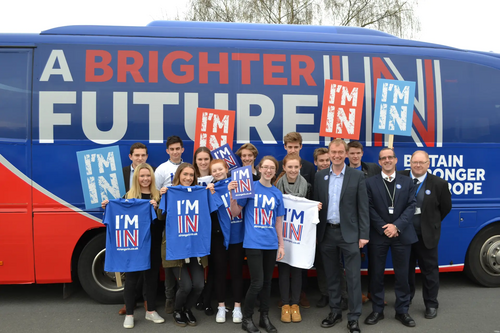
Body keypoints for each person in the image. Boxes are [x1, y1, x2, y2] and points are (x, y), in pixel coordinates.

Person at [314, 139, 369, 333]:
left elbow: (363, 208)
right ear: (328, 154)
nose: (336, 155)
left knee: (353, 278)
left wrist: (364, 235)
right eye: (333, 152)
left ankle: (353, 318)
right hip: (327, 233)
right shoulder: (320, 176)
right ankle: (335, 311)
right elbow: (316, 206)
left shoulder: (357, 176)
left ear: (346, 154)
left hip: (350, 234)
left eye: (340, 152)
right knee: (332, 276)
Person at [102, 163, 165, 329]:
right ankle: (129, 313)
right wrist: (108, 206)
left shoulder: (159, 196)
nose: (145, 179)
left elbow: (165, 220)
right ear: (137, 178)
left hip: (153, 244)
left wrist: (157, 209)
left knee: (151, 279)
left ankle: (150, 311)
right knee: (131, 279)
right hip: (134, 245)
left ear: (152, 177)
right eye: (142, 176)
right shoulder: (128, 196)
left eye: (148, 175)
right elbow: (117, 217)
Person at [229, 156, 285, 333]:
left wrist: (281, 245)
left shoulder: (277, 193)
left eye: (272, 168)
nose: (268, 171)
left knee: (267, 282)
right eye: (265, 167)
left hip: (271, 243)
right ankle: (247, 318)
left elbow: (278, 221)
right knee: (257, 282)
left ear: (275, 172)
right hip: (253, 242)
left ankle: (264, 317)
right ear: (259, 169)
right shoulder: (250, 187)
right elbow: (235, 211)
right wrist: (232, 195)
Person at [364, 148, 418, 328]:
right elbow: (369, 208)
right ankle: (377, 310)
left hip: (401, 234)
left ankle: (402, 311)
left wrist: (397, 226)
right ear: (379, 162)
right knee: (377, 275)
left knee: (402, 275)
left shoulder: (408, 181)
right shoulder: (370, 183)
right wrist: (384, 228)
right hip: (379, 235)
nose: (387, 160)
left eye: (390, 157)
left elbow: (411, 206)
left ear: (396, 160)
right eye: (383, 158)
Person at [160, 163, 217, 327]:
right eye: (185, 174)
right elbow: (160, 216)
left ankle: (187, 309)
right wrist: (162, 196)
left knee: (199, 285)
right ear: (179, 174)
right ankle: (178, 310)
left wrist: (211, 193)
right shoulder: (170, 192)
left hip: (195, 248)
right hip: (176, 247)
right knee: (185, 286)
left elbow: (214, 209)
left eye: (191, 175)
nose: (188, 178)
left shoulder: (202, 192)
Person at [399, 150, 452, 319]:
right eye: (415, 162)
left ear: (428, 164)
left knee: (429, 271)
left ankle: (431, 304)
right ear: (410, 163)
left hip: (426, 236)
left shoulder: (439, 184)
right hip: (404, 235)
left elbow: (445, 208)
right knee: (406, 271)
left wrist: (431, 223)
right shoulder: (401, 177)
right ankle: (406, 300)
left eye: (422, 162)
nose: (418, 165)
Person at [277, 132, 316, 307]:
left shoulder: (308, 168)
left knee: (300, 264)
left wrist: (315, 207)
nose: (292, 149)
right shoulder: (277, 168)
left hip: (300, 227)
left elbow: (312, 195)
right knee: (284, 265)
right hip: (283, 227)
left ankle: (301, 295)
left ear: (300, 147)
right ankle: (285, 300)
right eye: (289, 147)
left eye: (295, 147)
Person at [205, 159, 245, 324]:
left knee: (237, 272)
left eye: (220, 169)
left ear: (227, 169)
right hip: (218, 237)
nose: (217, 173)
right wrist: (210, 194)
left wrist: (231, 193)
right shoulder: (210, 189)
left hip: (237, 236)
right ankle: (221, 307)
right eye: (214, 171)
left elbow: (243, 205)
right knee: (220, 273)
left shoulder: (239, 184)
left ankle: (237, 307)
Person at [274, 153, 312, 323]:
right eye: (290, 167)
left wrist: (314, 207)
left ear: (300, 168)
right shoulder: (276, 188)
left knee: (297, 270)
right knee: (283, 270)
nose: (293, 170)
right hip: (282, 236)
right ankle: (285, 305)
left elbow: (309, 208)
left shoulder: (306, 187)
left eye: (296, 167)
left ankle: (295, 304)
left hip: (298, 236)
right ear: (284, 168)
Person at [312, 148, 348, 310]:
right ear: (316, 163)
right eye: (322, 160)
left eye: (327, 160)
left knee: (338, 264)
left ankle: (344, 295)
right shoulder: (317, 178)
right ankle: (325, 293)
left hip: (339, 227)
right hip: (320, 228)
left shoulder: (342, 176)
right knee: (321, 263)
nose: (325, 163)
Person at [346, 141, 381, 304]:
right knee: (353, 261)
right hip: (351, 222)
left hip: (372, 220)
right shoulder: (343, 171)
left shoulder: (373, 169)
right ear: (347, 154)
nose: (355, 156)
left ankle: (373, 293)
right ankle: (355, 293)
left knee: (374, 259)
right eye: (351, 153)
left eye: (357, 153)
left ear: (362, 153)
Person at [118, 142, 150, 315]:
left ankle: (147, 301)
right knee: (130, 266)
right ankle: (128, 304)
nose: (140, 158)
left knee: (147, 268)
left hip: (146, 225)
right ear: (130, 157)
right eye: (137, 155)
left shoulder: (150, 172)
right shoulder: (120, 173)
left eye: (143, 155)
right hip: (128, 226)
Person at [155, 135, 184, 314]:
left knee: (185, 260)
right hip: (169, 221)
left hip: (187, 221)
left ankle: (184, 295)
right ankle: (169, 298)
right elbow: (156, 194)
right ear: (167, 151)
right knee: (170, 260)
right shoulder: (161, 170)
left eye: (177, 149)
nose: (175, 152)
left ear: (182, 150)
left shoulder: (188, 167)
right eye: (171, 149)